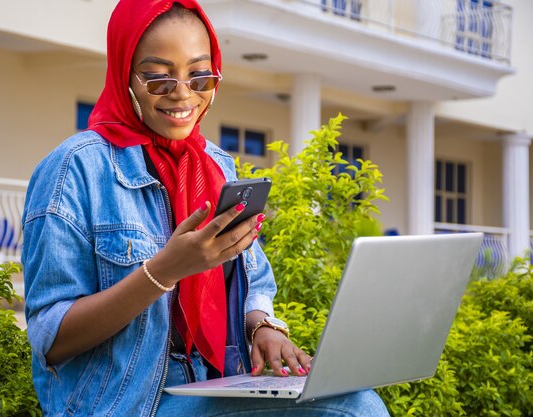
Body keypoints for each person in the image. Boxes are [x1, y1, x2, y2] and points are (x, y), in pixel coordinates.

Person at [21, 1, 391, 416]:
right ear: (124, 73)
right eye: (159, 78)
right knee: (356, 410)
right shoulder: (75, 168)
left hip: (214, 381)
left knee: (355, 400)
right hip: (127, 402)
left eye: (200, 76)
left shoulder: (215, 165)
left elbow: (254, 278)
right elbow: (51, 340)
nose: (182, 93)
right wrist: (163, 271)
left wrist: (263, 327)